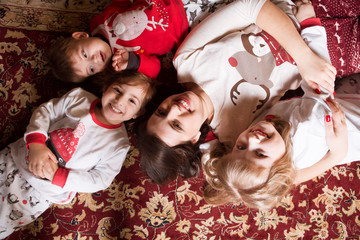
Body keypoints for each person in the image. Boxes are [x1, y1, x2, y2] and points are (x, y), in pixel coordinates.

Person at [137, 0, 337, 185]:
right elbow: (273, 181)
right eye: (176, 125)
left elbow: (253, 6)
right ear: (193, 138)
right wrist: (334, 157)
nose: (173, 109)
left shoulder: (187, 60)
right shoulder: (238, 137)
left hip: (296, 11)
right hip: (324, 53)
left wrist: (305, 57)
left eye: (161, 112)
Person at [0, 70, 155, 238]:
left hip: (38, 193)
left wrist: (59, 176)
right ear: (105, 88)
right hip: (15, 159)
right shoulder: (79, 97)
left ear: (137, 113)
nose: (119, 100)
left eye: (132, 101)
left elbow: (100, 179)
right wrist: (36, 144)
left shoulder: (119, 144)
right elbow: (46, 111)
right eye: (118, 90)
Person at [202, 70, 360, 210]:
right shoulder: (309, 123)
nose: (252, 139)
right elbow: (316, 73)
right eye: (260, 154)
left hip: (344, 105)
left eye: (241, 147)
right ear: (281, 168)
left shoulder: (270, 151)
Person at [47, 0, 189, 83]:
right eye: (91, 69)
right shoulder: (121, 63)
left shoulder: (98, 22)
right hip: (185, 25)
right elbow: (155, 69)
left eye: (84, 54)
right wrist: (133, 62)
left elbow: (120, 4)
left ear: (81, 36)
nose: (95, 60)